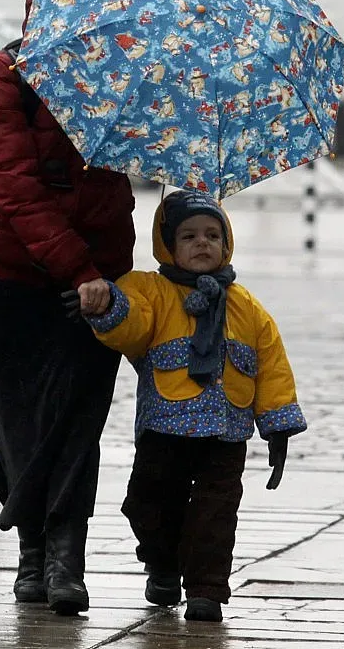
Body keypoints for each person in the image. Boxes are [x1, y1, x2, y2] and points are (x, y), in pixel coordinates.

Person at [0, 0, 136, 617]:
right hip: (6, 276)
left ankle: (65, 557)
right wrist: (78, 268)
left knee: (75, 423)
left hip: (98, 279)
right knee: (9, 422)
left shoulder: (126, 72)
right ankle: (32, 547)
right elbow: (11, 184)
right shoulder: (3, 72)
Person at [79, 189, 307, 623]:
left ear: (227, 243)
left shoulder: (246, 306)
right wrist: (109, 305)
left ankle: (207, 589)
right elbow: (131, 327)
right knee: (147, 504)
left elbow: (271, 364)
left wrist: (277, 422)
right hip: (165, 426)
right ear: (167, 244)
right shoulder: (151, 289)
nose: (202, 243)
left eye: (212, 235)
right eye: (188, 236)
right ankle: (163, 563)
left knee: (215, 514)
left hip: (225, 431)